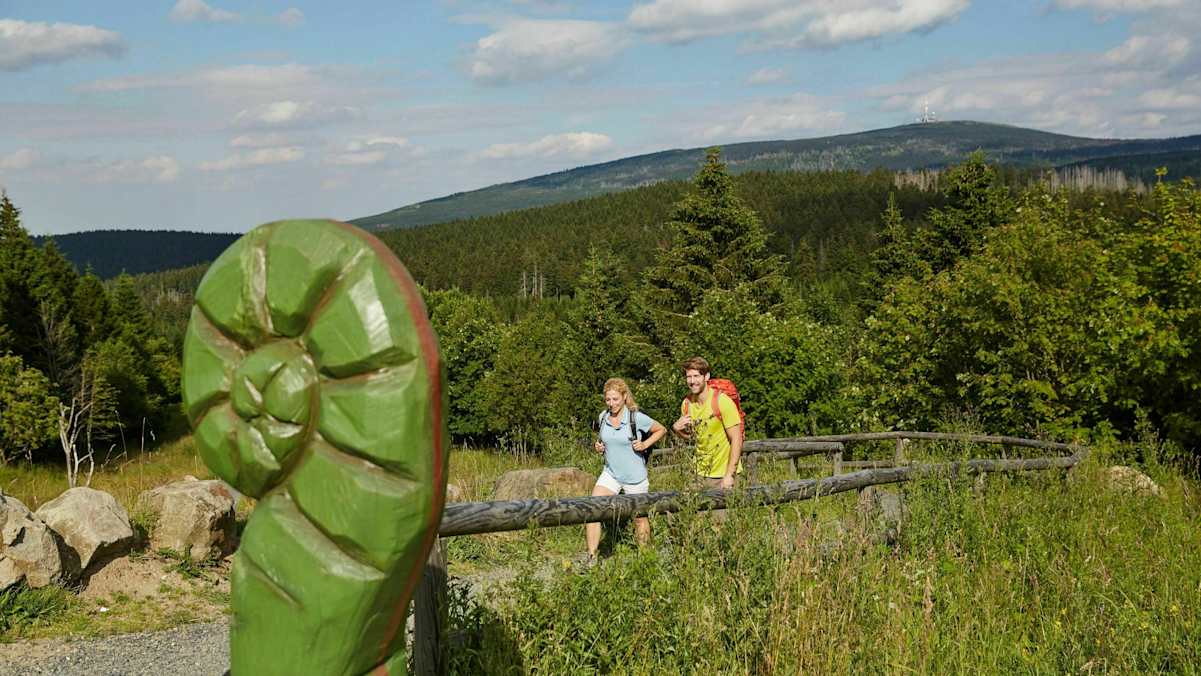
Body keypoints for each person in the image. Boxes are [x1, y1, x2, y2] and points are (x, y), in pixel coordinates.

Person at [584, 377, 666, 564]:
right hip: (611, 473)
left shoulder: (636, 417)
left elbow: (661, 430)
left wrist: (644, 443)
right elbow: (604, 440)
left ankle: (645, 560)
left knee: (639, 518)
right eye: (608, 400)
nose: (611, 404)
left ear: (624, 397)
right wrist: (599, 446)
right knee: (593, 509)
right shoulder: (603, 417)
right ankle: (591, 557)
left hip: (634, 477)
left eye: (615, 399)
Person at [671, 356, 743, 490]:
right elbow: (694, 438)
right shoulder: (687, 404)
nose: (692, 381)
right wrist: (677, 429)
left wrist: (729, 475)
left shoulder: (722, 401)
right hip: (698, 474)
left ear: (706, 376)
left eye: (696, 376)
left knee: (721, 512)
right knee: (691, 510)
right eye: (689, 377)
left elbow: (737, 439)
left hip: (723, 475)